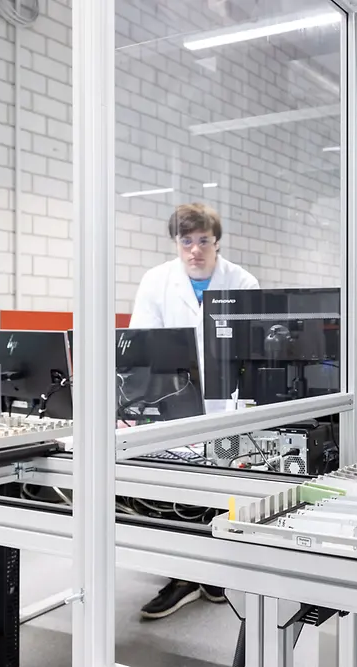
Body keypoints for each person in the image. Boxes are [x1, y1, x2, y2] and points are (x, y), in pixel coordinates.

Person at [130, 202, 259, 620]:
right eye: (186, 241)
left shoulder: (242, 281)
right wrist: (131, 402)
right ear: (176, 243)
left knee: (221, 485)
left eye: (203, 240)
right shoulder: (156, 281)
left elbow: (255, 352)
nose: (195, 250)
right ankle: (182, 575)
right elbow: (139, 345)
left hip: (228, 403)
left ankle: (214, 571)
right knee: (172, 490)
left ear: (216, 241)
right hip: (174, 401)